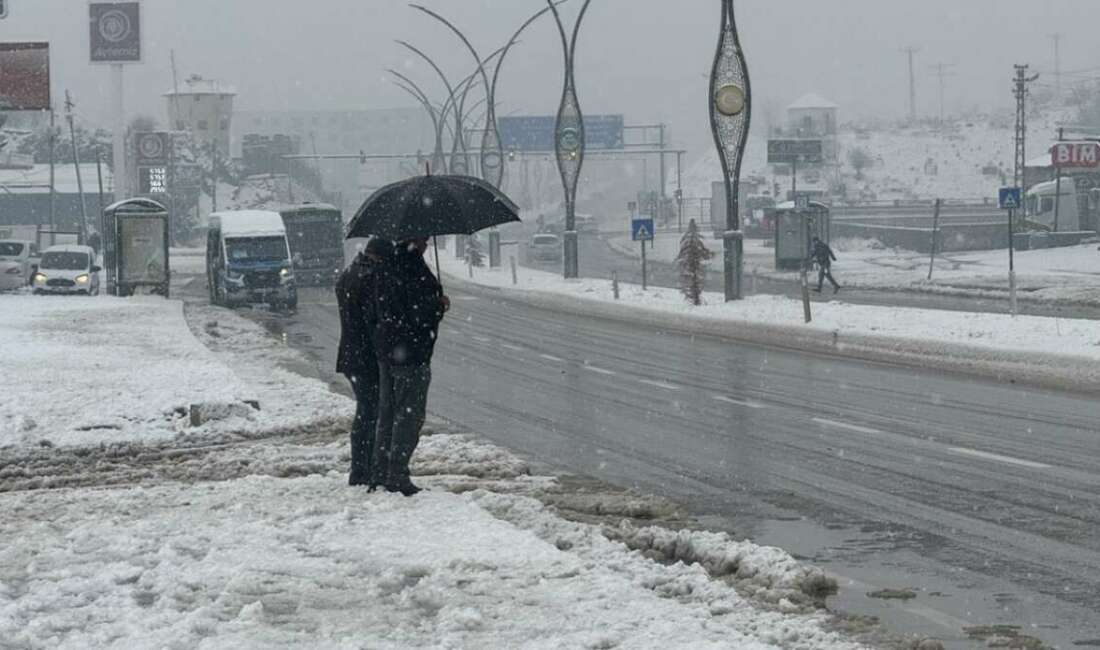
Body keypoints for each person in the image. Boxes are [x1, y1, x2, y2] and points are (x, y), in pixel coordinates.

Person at [372, 238, 450, 496]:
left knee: (389, 413)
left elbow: (387, 308)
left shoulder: (386, 265)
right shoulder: (412, 268)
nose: (427, 242)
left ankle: (380, 470)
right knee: (409, 416)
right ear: (413, 239)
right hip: (411, 353)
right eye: (424, 238)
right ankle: (397, 474)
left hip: (388, 351)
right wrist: (438, 305)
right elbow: (417, 313)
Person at [335, 237, 393, 487]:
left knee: (367, 410)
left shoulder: (350, 273)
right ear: (378, 256)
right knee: (370, 412)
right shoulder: (368, 279)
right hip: (366, 357)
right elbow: (374, 321)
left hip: (352, 355)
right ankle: (363, 470)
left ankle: (362, 468)